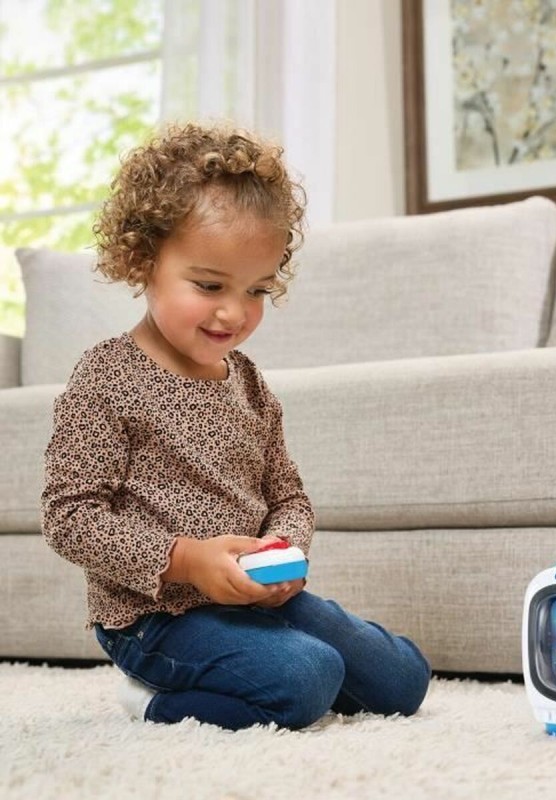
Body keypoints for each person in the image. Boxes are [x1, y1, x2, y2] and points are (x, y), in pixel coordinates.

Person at [41, 122, 431, 731]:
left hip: (256, 599)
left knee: (404, 681)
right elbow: (69, 518)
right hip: (153, 618)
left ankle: (268, 661)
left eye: (256, 290)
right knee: (308, 678)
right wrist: (186, 560)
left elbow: (288, 496)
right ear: (144, 260)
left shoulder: (247, 381)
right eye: (209, 285)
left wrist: (285, 550)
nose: (234, 312)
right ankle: (152, 699)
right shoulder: (106, 377)